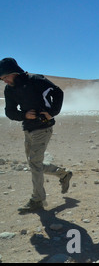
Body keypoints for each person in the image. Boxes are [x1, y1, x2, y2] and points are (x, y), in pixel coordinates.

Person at [0, 57, 72, 213]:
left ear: (14, 72)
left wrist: (52, 113)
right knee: (35, 164)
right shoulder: (9, 89)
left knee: (34, 164)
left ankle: (37, 200)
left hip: (43, 128)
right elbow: (9, 112)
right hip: (28, 128)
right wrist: (24, 115)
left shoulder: (36, 80)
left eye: (5, 77)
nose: (4, 81)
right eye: (2, 79)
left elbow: (58, 92)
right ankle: (64, 174)